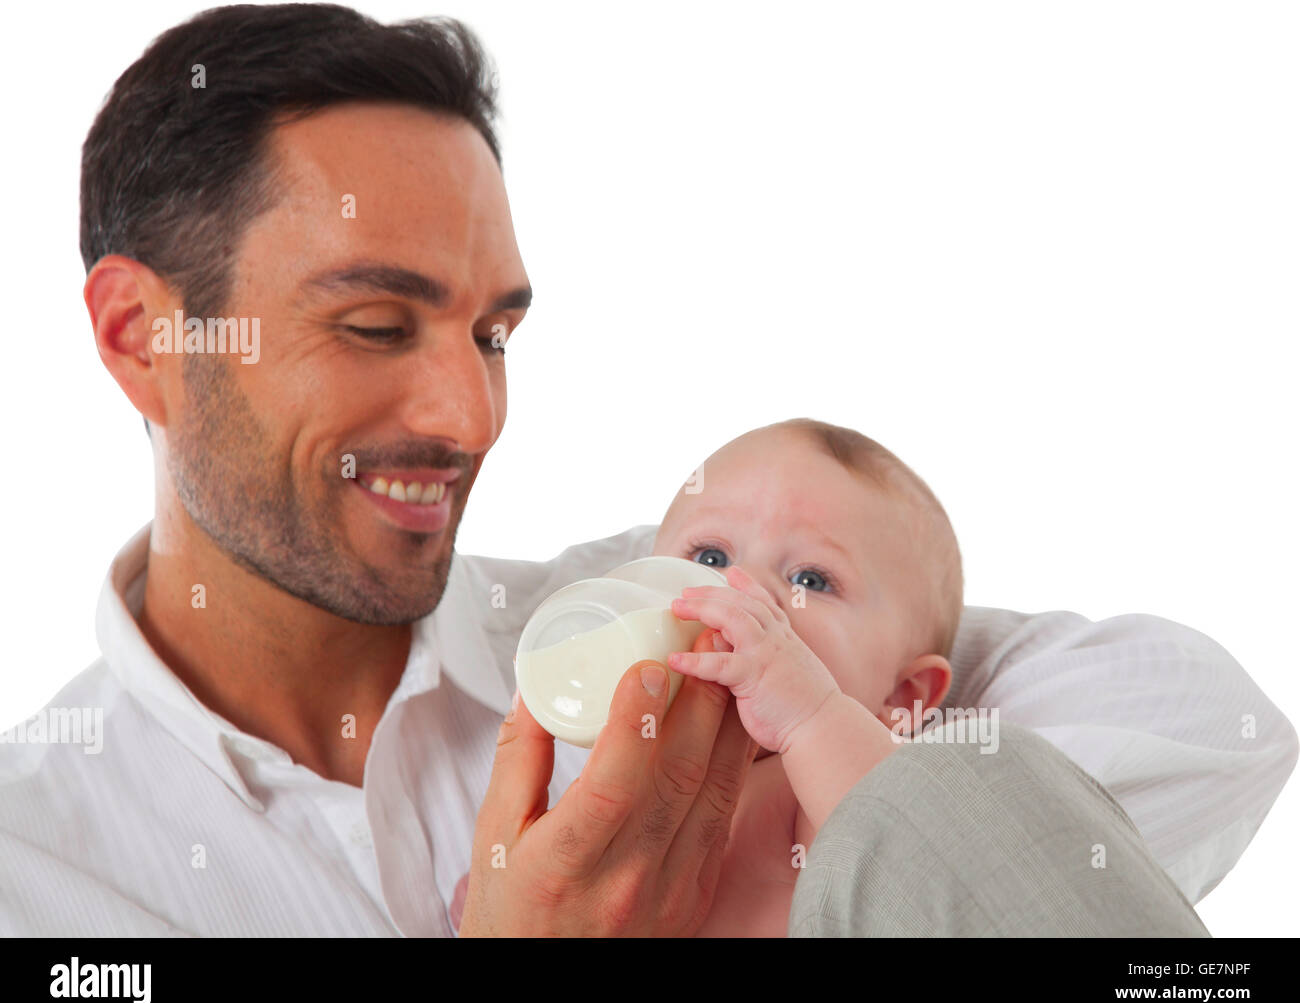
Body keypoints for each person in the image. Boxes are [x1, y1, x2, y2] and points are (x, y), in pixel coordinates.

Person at [1, 5, 1293, 937]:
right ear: (143, 337)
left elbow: (1199, 720)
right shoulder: (40, 868)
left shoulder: (647, 606)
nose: (472, 413)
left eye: (493, 332)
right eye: (377, 324)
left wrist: (804, 799)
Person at [646, 417, 1207, 936]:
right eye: (711, 557)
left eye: (811, 579)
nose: (744, 588)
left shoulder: (804, 787)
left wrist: (808, 716)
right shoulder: (620, 756)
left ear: (902, 697)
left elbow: (907, 831)